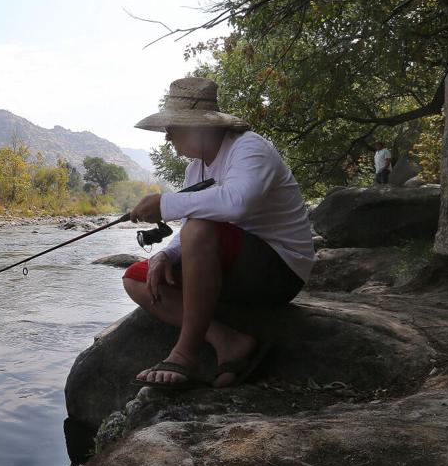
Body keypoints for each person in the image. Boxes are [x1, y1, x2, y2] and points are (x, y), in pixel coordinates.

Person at [123, 77, 315, 389]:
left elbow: (236, 204)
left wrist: (166, 203)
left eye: (174, 126)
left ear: (201, 126)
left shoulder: (250, 148)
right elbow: (190, 224)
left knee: (200, 229)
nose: (167, 135)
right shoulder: (194, 169)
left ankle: (185, 353)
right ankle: (226, 339)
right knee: (136, 278)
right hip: (227, 265)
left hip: (278, 271)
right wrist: (165, 255)